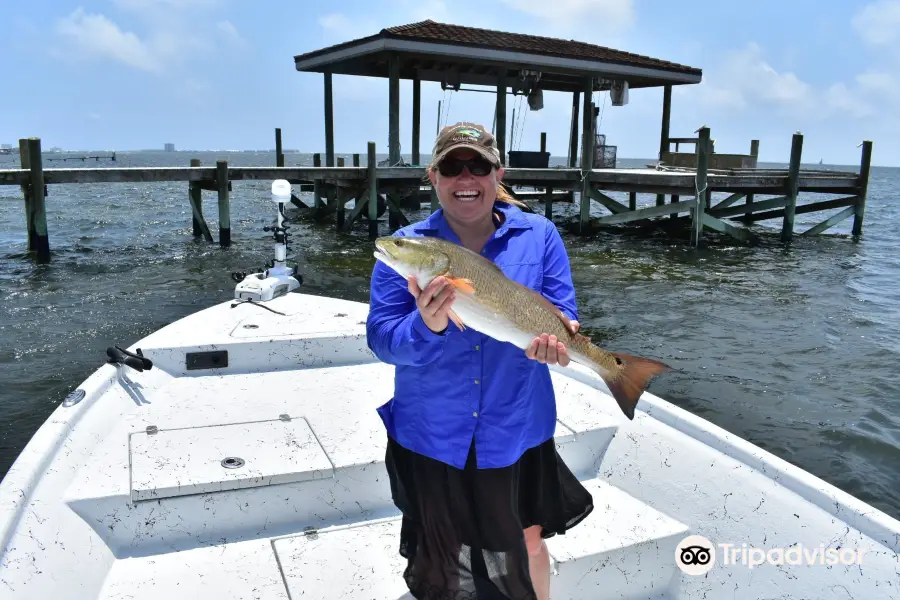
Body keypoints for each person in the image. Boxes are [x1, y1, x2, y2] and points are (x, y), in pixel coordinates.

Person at [366, 122, 593, 600]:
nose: (464, 177)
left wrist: (560, 338)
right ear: (433, 176)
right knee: (440, 548)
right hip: (432, 427)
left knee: (527, 539)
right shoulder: (407, 248)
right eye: (452, 166)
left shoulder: (540, 235)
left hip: (515, 423)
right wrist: (425, 326)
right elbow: (383, 341)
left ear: (498, 173)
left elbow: (562, 310)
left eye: (478, 166)